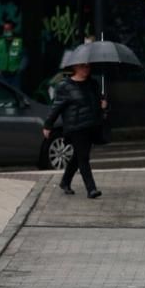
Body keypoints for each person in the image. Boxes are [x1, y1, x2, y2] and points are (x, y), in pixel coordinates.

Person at [42, 62, 104, 199]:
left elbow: (97, 105)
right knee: (83, 157)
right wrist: (48, 124)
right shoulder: (65, 86)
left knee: (78, 156)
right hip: (75, 126)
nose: (85, 69)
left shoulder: (93, 84)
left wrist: (103, 105)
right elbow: (56, 107)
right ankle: (91, 189)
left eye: (88, 66)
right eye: (82, 66)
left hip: (90, 125)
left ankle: (65, 181)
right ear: (75, 67)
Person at [0, 20, 28, 91]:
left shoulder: (19, 41)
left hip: (15, 75)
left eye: (8, 29)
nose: (6, 31)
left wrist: (20, 69)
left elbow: (25, 57)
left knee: (15, 94)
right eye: (5, 29)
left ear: (12, 29)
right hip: (2, 75)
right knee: (2, 94)